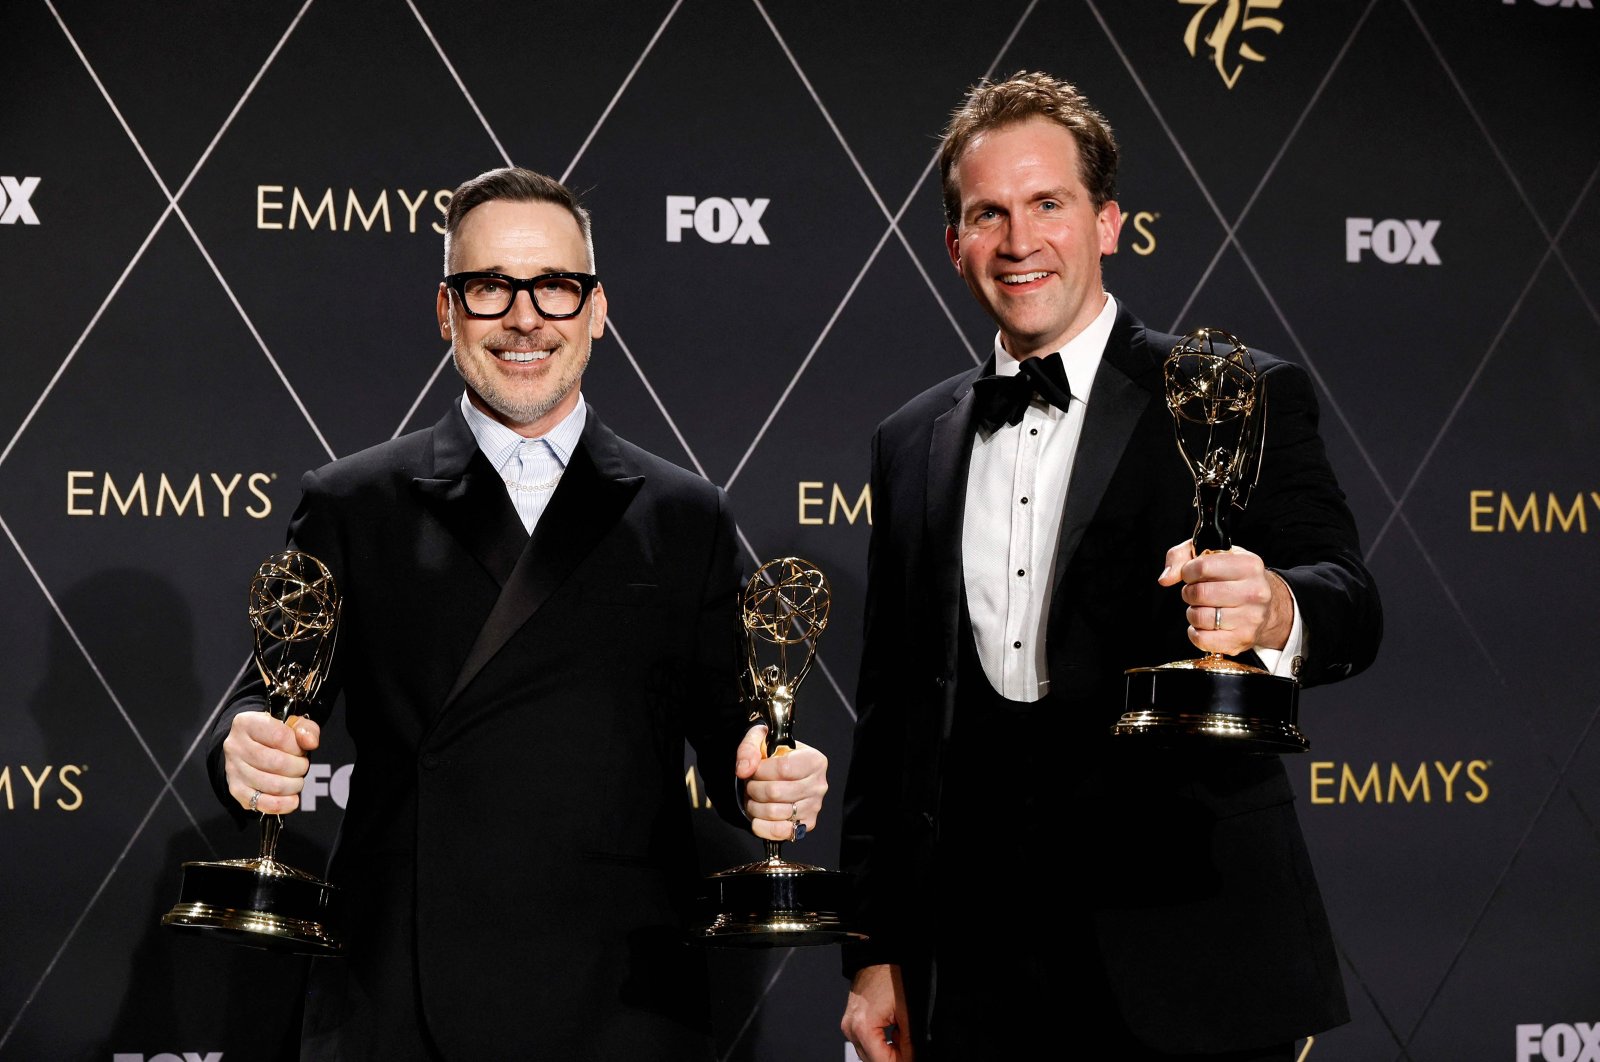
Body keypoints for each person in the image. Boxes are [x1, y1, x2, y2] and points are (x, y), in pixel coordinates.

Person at [208, 166, 829, 1060]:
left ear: (597, 308)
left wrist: (772, 775)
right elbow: (269, 701)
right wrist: (244, 747)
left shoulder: (686, 513)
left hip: (620, 996)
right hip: (404, 991)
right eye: (490, 286)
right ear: (446, 310)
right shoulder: (355, 502)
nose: (525, 316)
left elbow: (746, 730)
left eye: (555, 287)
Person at [837, 71, 1381, 1061]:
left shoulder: (1232, 392)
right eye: (986, 213)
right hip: (979, 962)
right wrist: (875, 952)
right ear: (952, 243)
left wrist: (1272, 611)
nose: (1018, 240)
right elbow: (892, 720)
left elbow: (1351, 604)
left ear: (1109, 223)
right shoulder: (907, 440)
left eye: (1048, 203)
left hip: (1191, 950)